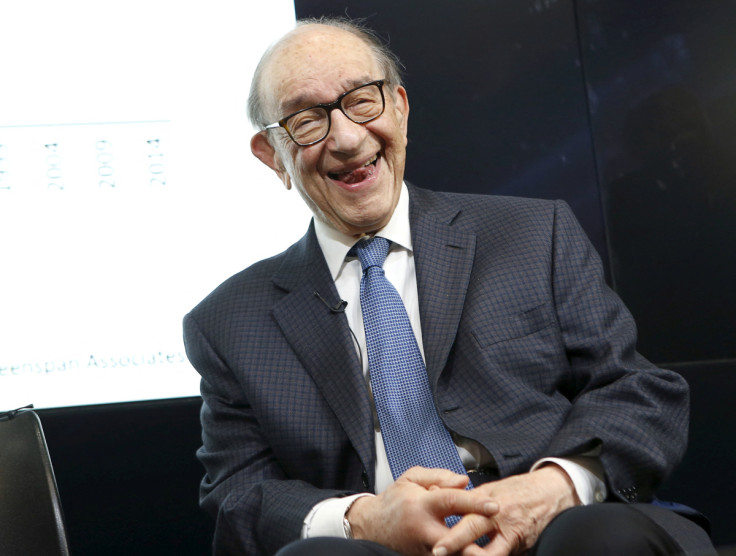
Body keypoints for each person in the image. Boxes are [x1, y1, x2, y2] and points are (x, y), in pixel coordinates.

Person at [183, 17, 715, 556]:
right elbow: (238, 495)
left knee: (595, 537)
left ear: (401, 108)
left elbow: (639, 393)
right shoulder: (228, 322)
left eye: (362, 100)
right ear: (273, 155)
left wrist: (553, 487)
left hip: (558, 531)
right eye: (306, 120)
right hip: (379, 550)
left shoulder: (534, 234)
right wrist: (362, 519)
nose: (345, 138)